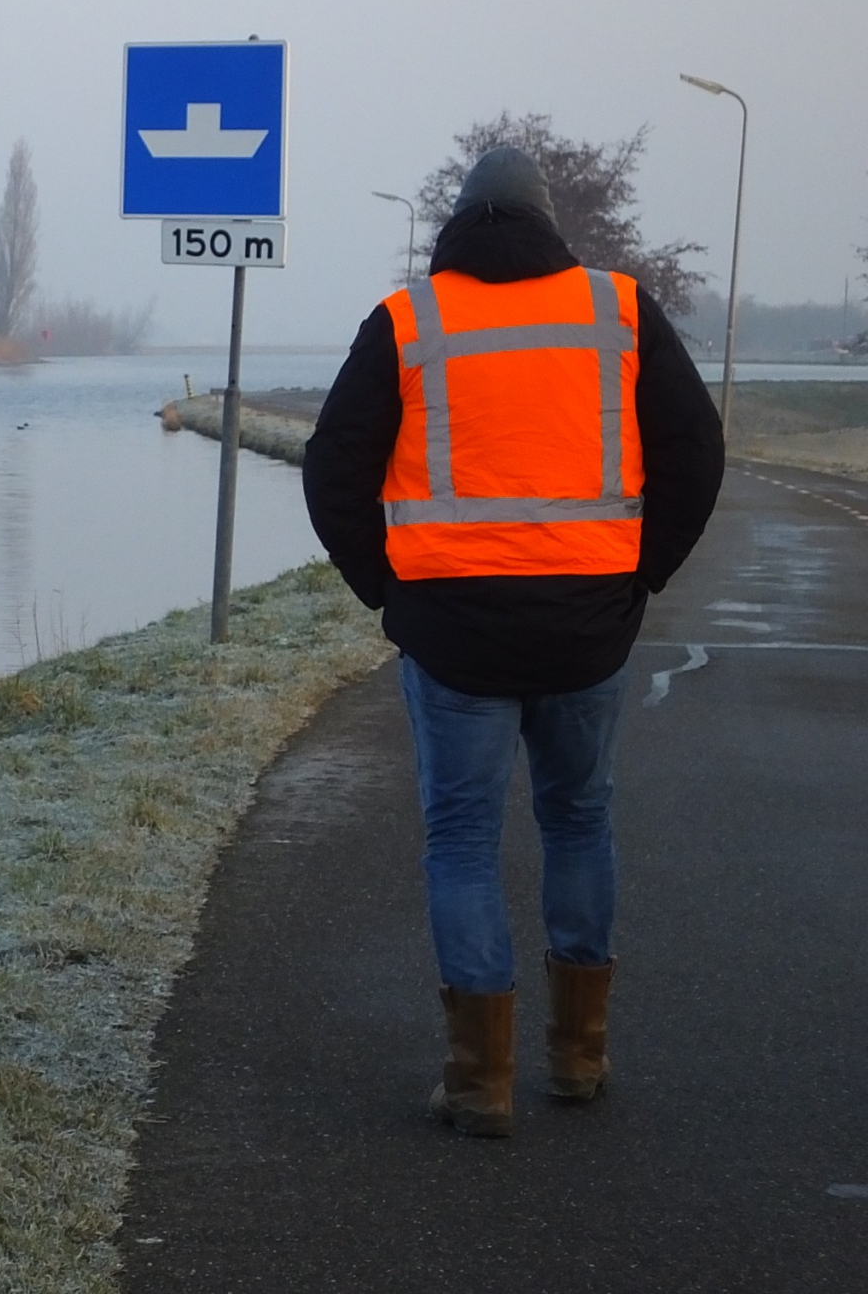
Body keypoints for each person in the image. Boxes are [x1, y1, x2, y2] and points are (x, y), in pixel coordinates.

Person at [302, 147, 724, 1138]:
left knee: (460, 836)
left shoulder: (408, 321)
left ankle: (479, 1080)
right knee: (577, 819)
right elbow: (695, 448)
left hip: (452, 631)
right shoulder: (617, 309)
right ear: (547, 222)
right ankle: (578, 1059)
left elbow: (332, 468)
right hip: (586, 626)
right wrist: (642, 572)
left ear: (457, 221)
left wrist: (387, 591)